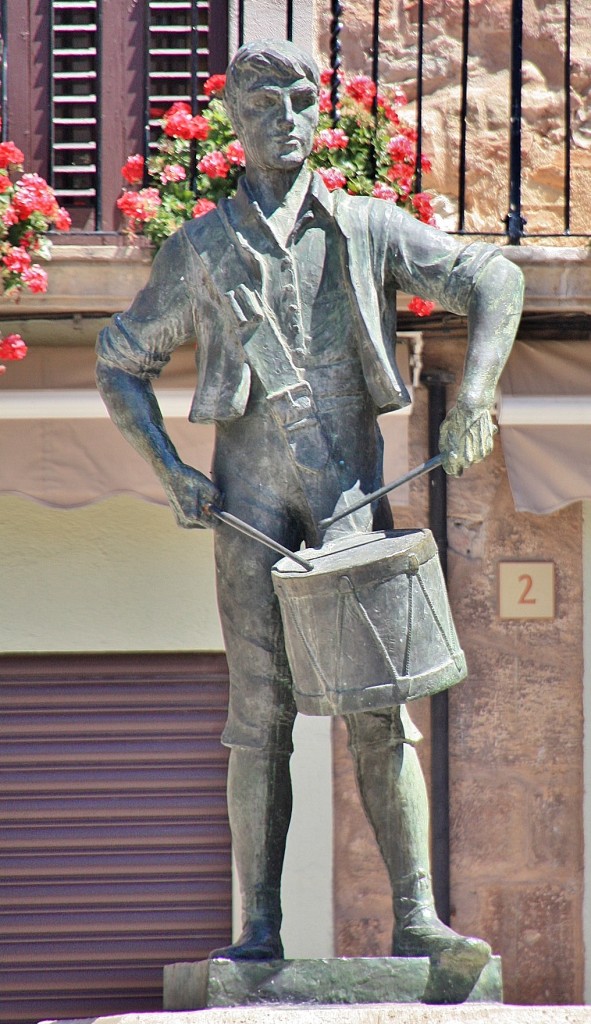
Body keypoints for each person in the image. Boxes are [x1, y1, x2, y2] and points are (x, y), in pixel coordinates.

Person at [96, 40, 524, 969]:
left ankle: (416, 917)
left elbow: (492, 276)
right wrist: (171, 470)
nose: (286, 116)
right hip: (248, 505)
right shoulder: (200, 249)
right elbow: (118, 360)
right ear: (236, 124)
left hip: (349, 500)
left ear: (317, 112)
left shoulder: (366, 225)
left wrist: (480, 394)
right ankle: (258, 928)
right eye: (264, 103)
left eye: (300, 98)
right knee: (258, 717)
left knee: (380, 710)